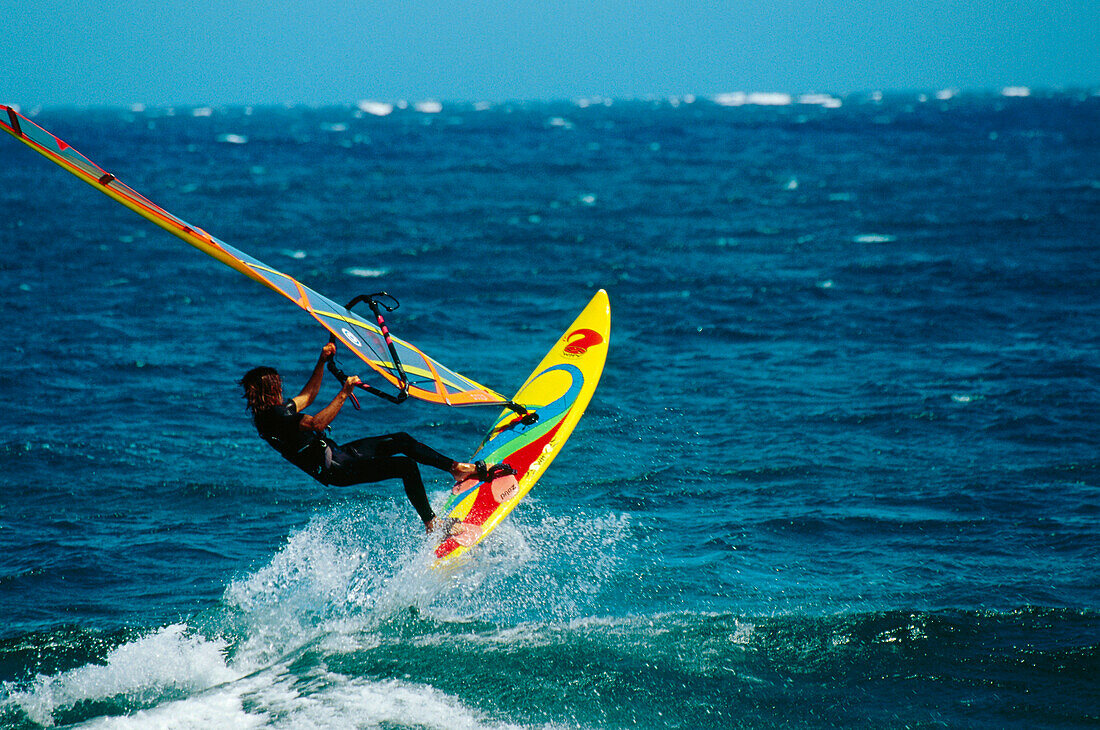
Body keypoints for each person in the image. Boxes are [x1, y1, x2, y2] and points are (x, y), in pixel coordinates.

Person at [239, 342, 486, 532]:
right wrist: (344, 392)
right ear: (272, 389)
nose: (282, 389)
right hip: (337, 468)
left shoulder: (270, 414)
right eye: (279, 385)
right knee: (406, 466)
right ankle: (433, 524)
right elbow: (317, 423)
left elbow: (307, 397)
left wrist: (322, 362)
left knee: (400, 439)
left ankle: (455, 468)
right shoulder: (276, 417)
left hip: (338, 454)